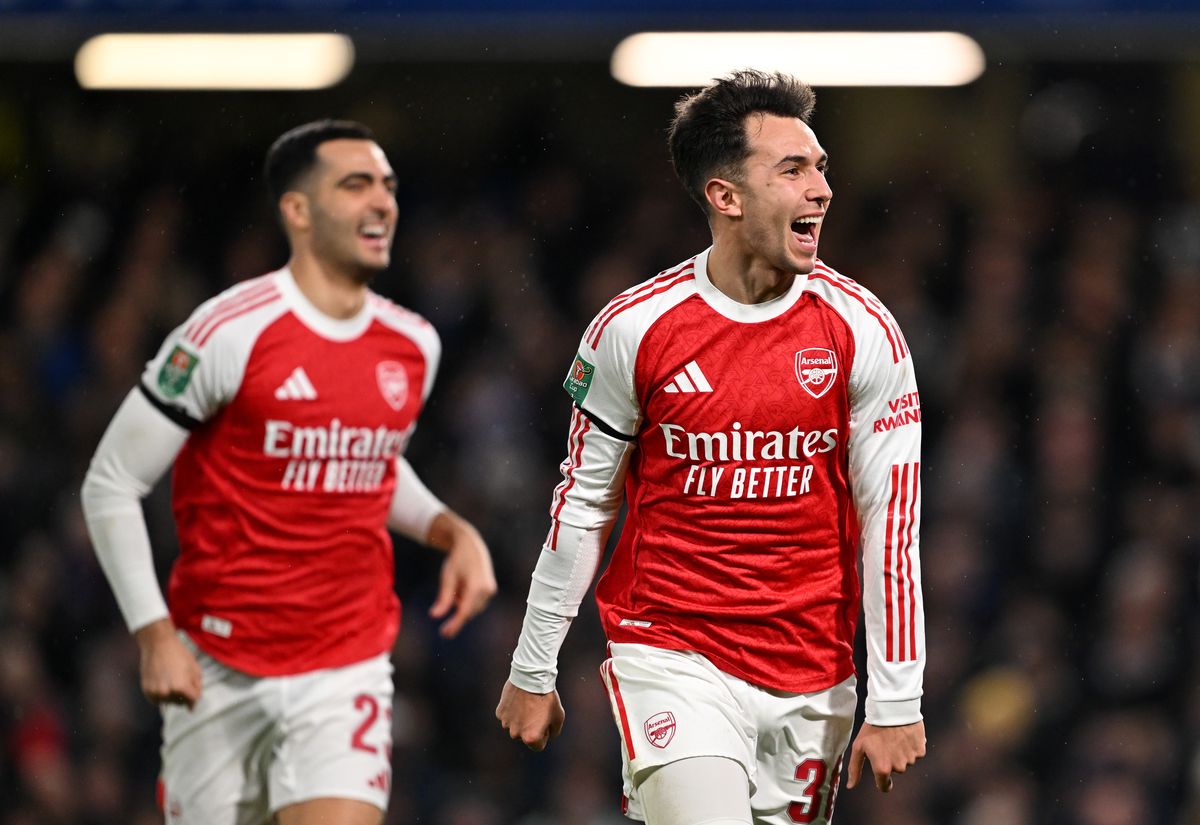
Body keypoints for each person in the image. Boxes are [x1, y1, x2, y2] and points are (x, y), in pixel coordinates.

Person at [496, 70, 926, 825]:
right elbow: (584, 502)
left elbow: (890, 521)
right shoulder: (635, 330)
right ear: (725, 196)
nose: (822, 189)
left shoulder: (864, 331)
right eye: (792, 170)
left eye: (821, 166)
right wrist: (534, 663)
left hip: (812, 669)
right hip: (673, 655)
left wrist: (897, 698)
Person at [81, 119, 497, 825]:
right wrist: (153, 634)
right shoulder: (227, 333)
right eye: (355, 184)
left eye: (389, 187)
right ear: (297, 211)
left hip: (345, 664)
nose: (382, 203)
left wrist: (450, 529)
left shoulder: (412, 344)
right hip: (216, 662)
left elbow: (367, 462)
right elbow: (111, 482)